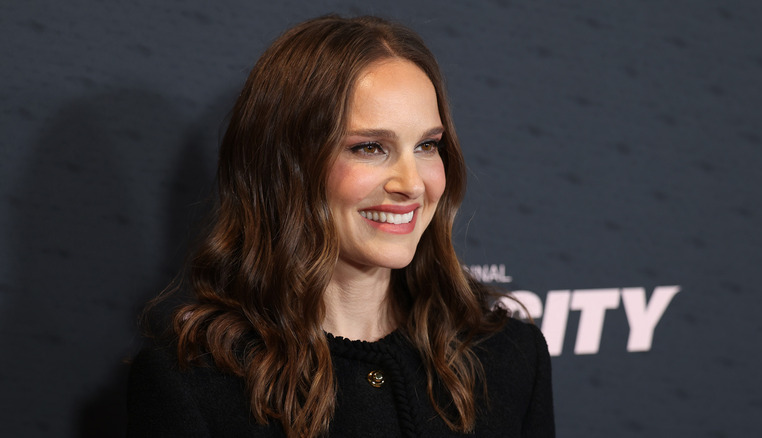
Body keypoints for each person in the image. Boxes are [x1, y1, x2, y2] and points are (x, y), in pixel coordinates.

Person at [127, 14, 555, 438]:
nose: (411, 184)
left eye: (427, 145)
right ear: (287, 167)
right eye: (370, 147)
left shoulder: (509, 357)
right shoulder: (193, 383)